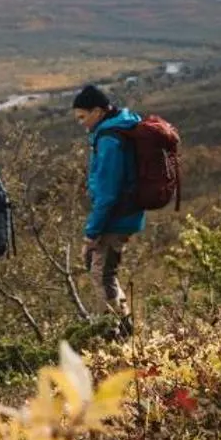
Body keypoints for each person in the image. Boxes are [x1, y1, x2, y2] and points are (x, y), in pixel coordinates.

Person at [72, 85, 143, 333]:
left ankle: (118, 332)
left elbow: (107, 192)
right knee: (102, 270)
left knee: (102, 274)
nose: (81, 123)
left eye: (83, 117)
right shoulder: (115, 129)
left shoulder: (110, 139)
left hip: (116, 217)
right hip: (123, 214)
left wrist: (91, 232)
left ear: (98, 111)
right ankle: (121, 326)